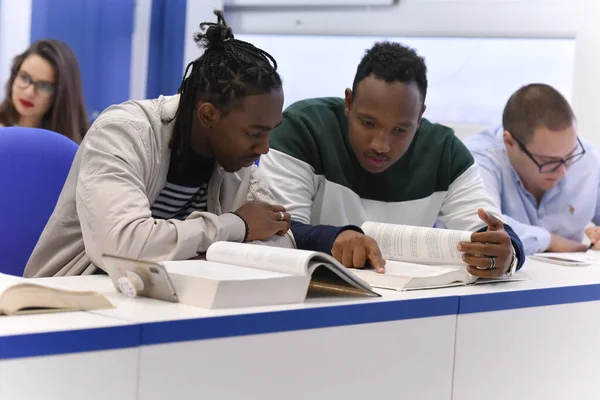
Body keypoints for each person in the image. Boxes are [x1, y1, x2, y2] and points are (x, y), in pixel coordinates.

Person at [24, 11, 293, 278]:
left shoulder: (234, 158)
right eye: (255, 133)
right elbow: (122, 246)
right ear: (209, 115)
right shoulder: (123, 133)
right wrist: (235, 226)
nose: (264, 148)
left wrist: (203, 254)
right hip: (71, 298)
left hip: (160, 301)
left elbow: (282, 237)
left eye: (269, 132)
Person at [260, 41, 525, 277]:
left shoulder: (446, 152)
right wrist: (333, 238)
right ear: (349, 102)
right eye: (368, 122)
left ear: (419, 117)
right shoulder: (303, 129)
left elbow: (490, 232)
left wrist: (505, 254)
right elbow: (278, 231)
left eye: (400, 130)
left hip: (401, 304)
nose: (381, 145)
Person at [465, 83, 600, 255]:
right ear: (509, 142)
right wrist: (550, 241)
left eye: (570, 156)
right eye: (548, 161)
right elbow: (481, 225)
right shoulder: (478, 158)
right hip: (501, 280)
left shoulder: (587, 158)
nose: (563, 171)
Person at [0, 39, 88, 143]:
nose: (29, 92)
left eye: (44, 86)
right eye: (24, 77)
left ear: (61, 96)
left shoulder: (74, 149)